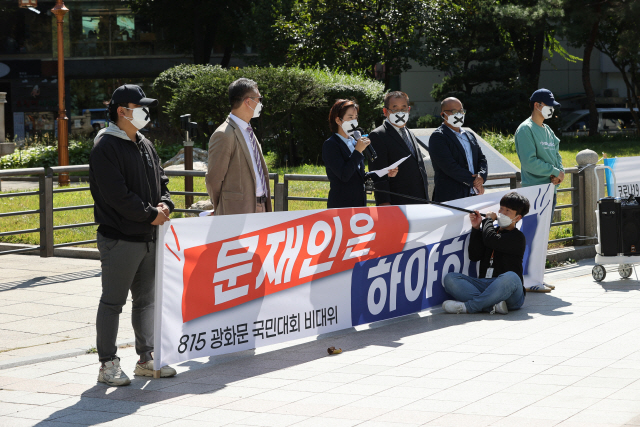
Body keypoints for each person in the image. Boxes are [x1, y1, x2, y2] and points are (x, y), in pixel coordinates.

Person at [90, 84, 176, 386]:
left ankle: (146, 357)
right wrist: (150, 214)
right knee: (113, 302)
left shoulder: (144, 142)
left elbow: (162, 179)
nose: (145, 112)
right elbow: (117, 196)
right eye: (139, 107)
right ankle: (107, 362)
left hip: (149, 237)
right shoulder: (105, 146)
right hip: (120, 238)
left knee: (146, 301)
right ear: (121, 111)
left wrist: (165, 203)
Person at [442, 192, 530, 315]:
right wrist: (476, 229)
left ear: (518, 217)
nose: (502, 213)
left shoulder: (518, 237)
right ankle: (491, 306)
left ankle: (468, 307)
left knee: (511, 277)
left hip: (510, 293)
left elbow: (491, 240)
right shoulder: (490, 232)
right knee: (450, 279)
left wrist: (488, 220)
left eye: (508, 211)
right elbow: (474, 256)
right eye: (501, 209)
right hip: (486, 286)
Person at [206, 78, 272, 215]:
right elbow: (214, 179)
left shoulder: (247, 129)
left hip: (262, 207)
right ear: (248, 101)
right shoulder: (224, 134)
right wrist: (221, 207)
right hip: (238, 212)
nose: (260, 103)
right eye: (259, 98)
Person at [323, 99, 398, 208]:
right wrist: (358, 151)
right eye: (350, 117)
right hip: (341, 205)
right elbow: (344, 175)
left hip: (360, 204)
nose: (354, 121)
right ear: (338, 120)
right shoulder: (331, 144)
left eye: (356, 117)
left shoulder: (354, 142)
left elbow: (360, 176)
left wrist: (385, 172)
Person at [369, 91, 430, 206]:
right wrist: (384, 203)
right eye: (395, 108)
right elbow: (378, 174)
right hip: (397, 202)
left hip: (420, 200)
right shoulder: (378, 135)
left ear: (409, 110)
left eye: (403, 108)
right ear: (385, 111)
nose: (400, 112)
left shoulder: (409, 133)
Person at [515, 88, 564, 223]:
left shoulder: (548, 130)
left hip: (550, 190)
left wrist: (560, 173)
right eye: (549, 105)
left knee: (543, 236)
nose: (552, 109)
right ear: (537, 105)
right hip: (534, 192)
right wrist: (555, 171)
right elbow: (529, 162)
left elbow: (556, 155)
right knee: (533, 237)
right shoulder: (526, 129)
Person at [428, 97, 488, 203]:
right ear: (443, 115)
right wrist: (474, 181)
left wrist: (481, 176)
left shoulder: (469, 135)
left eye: (461, 111)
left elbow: (481, 158)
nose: (459, 114)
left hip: (474, 194)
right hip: (451, 197)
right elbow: (449, 166)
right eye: (454, 111)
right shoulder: (438, 137)